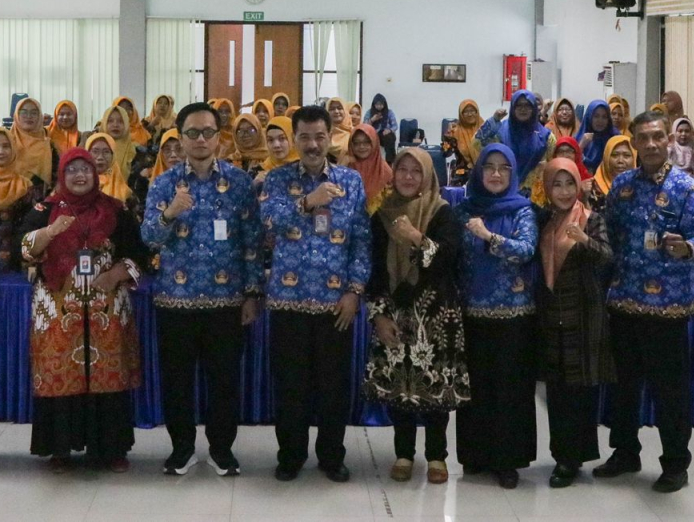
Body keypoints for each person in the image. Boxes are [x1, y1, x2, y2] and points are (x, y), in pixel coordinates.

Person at [142, 102, 262, 476]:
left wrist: (252, 293)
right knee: (177, 382)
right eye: (192, 133)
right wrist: (169, 213)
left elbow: (252, 242)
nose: (200, 139)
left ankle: (222, 450)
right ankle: (181, 449)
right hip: (175, 302)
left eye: (207, 132)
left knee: (224, 382)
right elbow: (149, 238)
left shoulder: (239, 183)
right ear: (180, 138)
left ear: (218, 137)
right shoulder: (164, 184)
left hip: (226, 302)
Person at [595, 110, 694, 493]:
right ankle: (625, 452)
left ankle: (676, 463)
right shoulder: (622, 186)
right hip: (624, 301)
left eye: (657, 136)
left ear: (667, 140)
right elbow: (609, 238)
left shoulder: (686, 188)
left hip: (668, 307)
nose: (650, 144)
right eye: (642, 138)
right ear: (633, 143)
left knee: (670, 391)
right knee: (624, 388)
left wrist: (686, 248)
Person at [18, 147, 151, 472]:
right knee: (61, 375)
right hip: (58, 310)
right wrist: (50, 232)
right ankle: (60, 449)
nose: (79, 176)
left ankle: (112, 449)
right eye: (72, 170)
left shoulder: (116, 210)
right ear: (61, 175)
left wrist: (117, 274)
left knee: (109, 379)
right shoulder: (45, 210)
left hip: (108, 307)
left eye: (85, 169)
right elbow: (23, 250)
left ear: (95, 173)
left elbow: (140, 255)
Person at [261, 104, 371, 483]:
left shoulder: (350, 182)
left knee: (333, 387)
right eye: (305, 137)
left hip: (335, 304)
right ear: (295, 139)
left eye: (319, 137)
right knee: (290, 386)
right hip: (287, 303)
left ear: (330, 138)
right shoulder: (277, 179)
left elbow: (361, 242)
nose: (312, 145)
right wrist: (308, 202)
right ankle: (291, 455)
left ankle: (331, 456)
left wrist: (354, 291)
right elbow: (268, 221)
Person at [363, 147, 468, 485]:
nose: (408, 177)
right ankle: (404, 454)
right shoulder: (382, 215)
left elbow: (448, 260)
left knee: (435, 390)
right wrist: (379, 316)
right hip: (396, 313)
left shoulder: (442, 212)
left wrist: (416, 237)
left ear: (427, 175)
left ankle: (437, 455)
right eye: (402, 170)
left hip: (436, 315)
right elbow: (374, 271)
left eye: (416, 171)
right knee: (401, 389)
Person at [455, 145, 538, 489]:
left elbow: (526, 250)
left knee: (510, 390)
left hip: (514, 316)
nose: (495, 174)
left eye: (504, 168)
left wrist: (489, 237)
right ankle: (475, 455)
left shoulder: (522, 210)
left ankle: (507, 460)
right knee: (475, 388)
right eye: (489, 166)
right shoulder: (464, 210)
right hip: (472, 313)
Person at [536, 158, 614, 488]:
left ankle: (574, 457)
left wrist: (584, 239)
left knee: (580, 391)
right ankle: (561, 455)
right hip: (551, 316)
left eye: (570, 183)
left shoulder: (591, 219)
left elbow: (607, 257)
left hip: (583, 315)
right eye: (557, 184)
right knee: (557, 392)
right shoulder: (545, 220)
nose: (565, 191)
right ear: (547, 187)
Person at [0, 126, 45, 271]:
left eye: (6, 146)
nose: (1, 152)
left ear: (13, 148)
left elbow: (34, 226)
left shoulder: (25, 185)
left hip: (16, 261)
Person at [476, 90, 552, 197]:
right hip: (503, 194)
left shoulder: (546, 136)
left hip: (536, 198)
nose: (523, 109)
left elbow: (554, 165)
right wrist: (494, 120)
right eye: (519, 105)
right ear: (512, 107)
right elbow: (476, 144)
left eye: (527, 105)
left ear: (533, 108)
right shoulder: (500, 132)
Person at [8, 97, 57, 189]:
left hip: (40, 194)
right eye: (24, 112)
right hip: (11, 192)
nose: (29, 116)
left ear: (40, 116)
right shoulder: (7, 142)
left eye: (34, 113)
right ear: (16, 115)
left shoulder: (49, 143)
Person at [347, 124, 393, 214]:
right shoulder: (347, 166)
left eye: (366, 142)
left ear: (374, 142)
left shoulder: (385, 171)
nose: (361, 146)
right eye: (356, 143)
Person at [86, 131, 135, 207]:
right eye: (95, 152)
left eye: (106, 152)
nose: (100, 157)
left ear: (113, 156)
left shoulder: (125, 193)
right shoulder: (79, 185)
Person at [589, 135, 635, 213]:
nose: (620, 161)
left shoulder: (641, 187)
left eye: (626, 155)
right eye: (614, 155)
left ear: (634, 158)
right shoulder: (591, 189)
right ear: (606, 157)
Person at [446, 99, 484, 185]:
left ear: (477, 112)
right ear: (461, 114)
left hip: (484, 170)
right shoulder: (455, 131)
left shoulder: (485, 130)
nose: (470, 114)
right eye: (466, 112)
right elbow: (446, 153)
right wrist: (448, 136)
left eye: (472, 111)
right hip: (462, 172)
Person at [577, 100, 615, 174]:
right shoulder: (578, 138)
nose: (600, 121)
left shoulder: (614, 138)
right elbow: (571, 164)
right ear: (589, 117)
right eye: (596, 116)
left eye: (604, 117)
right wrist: (581, 146)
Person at [667, 118, 694, 183]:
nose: (683, 134)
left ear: (691, 133)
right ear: (674, 132)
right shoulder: (669, 151)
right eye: (680, 131)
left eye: (687, 131)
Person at [363, 93, 398, 162]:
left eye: (381, 104)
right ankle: (391, 160)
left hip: (386, 134)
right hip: (374, 134)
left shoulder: (389, 112)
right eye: (377, 104)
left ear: (384, 104)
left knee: (389, 137)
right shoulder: (369, 112)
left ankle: (390, 161)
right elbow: (364, 126)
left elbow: (395, 126)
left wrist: (389, 130)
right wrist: (372, 120)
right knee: (388, 138)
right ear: (374, 104)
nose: (379, 106)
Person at [325, 97, 353, 163]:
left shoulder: (354, 133)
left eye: (340, 108)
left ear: (345, 111)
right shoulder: (323, 133)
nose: (336, 111)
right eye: (332, 109)